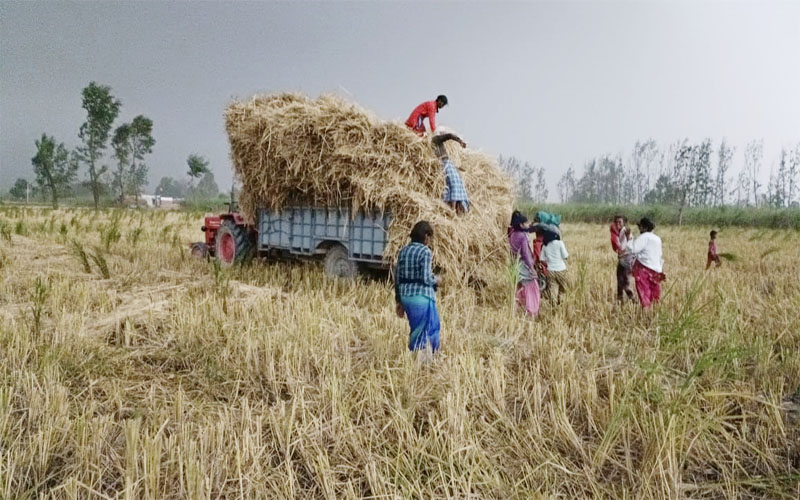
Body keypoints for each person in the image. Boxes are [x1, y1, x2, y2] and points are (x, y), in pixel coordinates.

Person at [395, 221, 442, 354]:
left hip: (406, 298)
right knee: (429, 328)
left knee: (416, 329)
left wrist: (398, 301)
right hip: (421, 297)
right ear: (426, 236)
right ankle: (423, 362)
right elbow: (426, 277)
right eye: (429, 238)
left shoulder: (403, 251)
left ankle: (415, 360)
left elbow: (397, 278)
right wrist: (437, 280)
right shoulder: (425, 252)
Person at [626, 217, 666, 308]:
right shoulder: (657, 239)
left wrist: (629, 239)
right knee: (655, 294)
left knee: (644, 292)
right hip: (656, 269)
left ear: (644, 228)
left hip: (644, 269)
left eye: (640, 226)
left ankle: (646, 314)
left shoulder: (643, 237)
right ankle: (654, 313)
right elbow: (659, 255)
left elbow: (633, 249)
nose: (639, 228)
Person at [508, 211, 540, 317]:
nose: (527, 225)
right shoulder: (522, 236)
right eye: (526, 223)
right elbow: (525, 254)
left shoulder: (512, 234)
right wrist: (532, 268)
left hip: (514, 265)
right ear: (521, 224)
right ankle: (532, 312)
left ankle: (516, 310)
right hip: (523, 265)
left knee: (518, 288)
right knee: (532, 288)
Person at [432, 131, 469, 214]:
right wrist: (460, 141)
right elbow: (449, 135)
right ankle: (452, 208)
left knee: (457, 183)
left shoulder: (435, 142)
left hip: (446, 162)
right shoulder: (436, 139)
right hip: (444, 162)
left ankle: (458, 208)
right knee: (454, 183)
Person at [610, 215, 635, 301]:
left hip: (626, 258)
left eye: (620, 222)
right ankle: (620, 300)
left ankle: (632, 298)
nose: (617, 224)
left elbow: (630, 245)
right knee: (620, 279)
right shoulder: (620, 232)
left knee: (623, 281)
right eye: (616, 222)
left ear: (624, 222)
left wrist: (622, 253)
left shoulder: (625, 230)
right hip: (624, 258)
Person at [542, 232, 569, 304]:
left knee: (553, 289)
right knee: (563, 288)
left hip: (550, 271)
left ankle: (553, 307)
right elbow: (565, 256)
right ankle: (562, 304)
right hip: (561, 269)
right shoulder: (560, 243)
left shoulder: (545, 245)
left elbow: (541, 259)